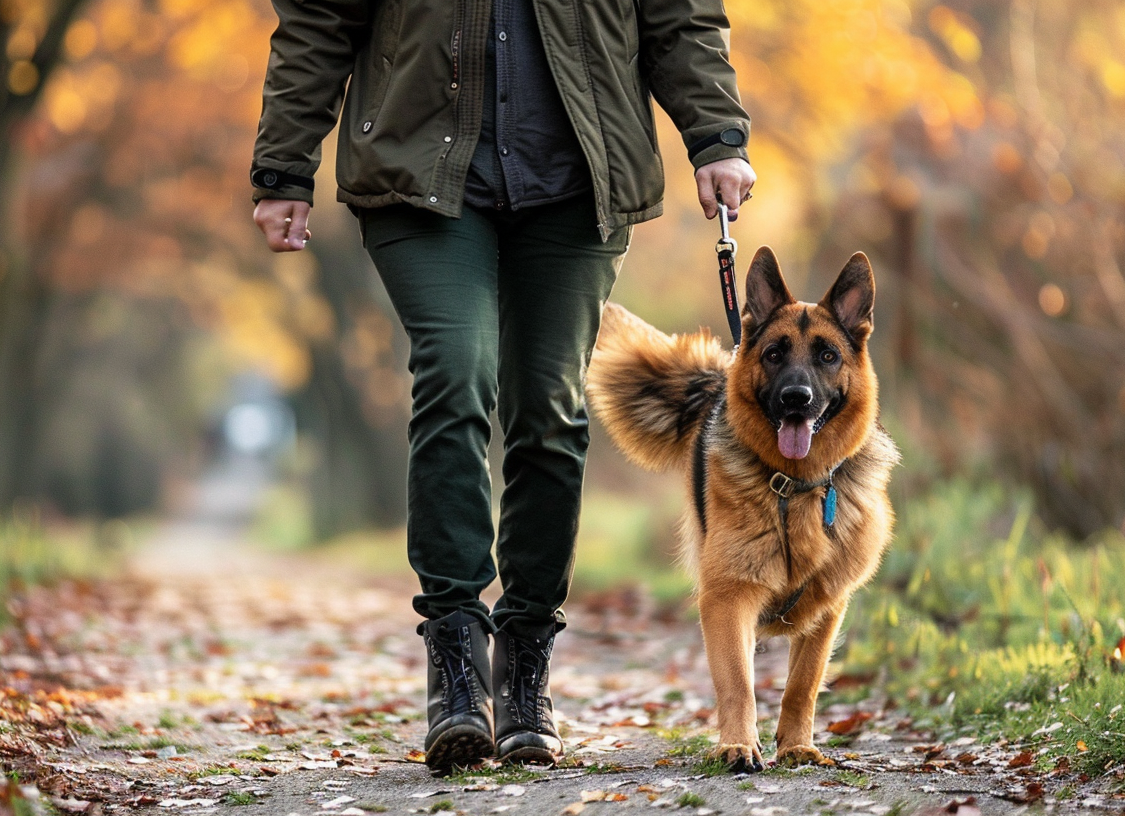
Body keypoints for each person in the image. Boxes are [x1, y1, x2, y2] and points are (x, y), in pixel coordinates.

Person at [250, 0, 756, 774]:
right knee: (455, 378)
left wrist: (715, 136)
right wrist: (285, 166)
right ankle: (455, 660)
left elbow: (680, 17)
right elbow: (320, 19)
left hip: (578, 176)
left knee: (548, 412)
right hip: (419, 172)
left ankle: (525, 664)